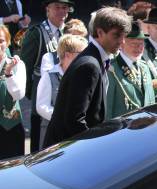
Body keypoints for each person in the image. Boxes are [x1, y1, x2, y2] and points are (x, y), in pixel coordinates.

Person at [43, 7, 131, 149]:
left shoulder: (95, 59)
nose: (122, 42)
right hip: (66, 152)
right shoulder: (89, 66)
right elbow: (74, 120)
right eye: (116, 35)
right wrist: (93, 149)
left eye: (124, 36)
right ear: (100, 32)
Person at [20, 0, 72, 153]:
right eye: (57, 7)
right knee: (40, 146)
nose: (62, 11)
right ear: (47, 10)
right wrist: (33, 94)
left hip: (66, 96)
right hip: (43, 99)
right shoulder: (36, 33)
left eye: (65, 8)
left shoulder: (70, 31)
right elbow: (26, 67)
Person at [36, 33, 87, 149]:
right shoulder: (49, 76)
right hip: (53, 132)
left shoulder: (82, 75)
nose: (85, 57)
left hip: (75, 132)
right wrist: (63, 117)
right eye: (81, 54)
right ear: (68, 55)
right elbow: (41, 106)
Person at [106, 21, 155, 120]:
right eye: (134, 44)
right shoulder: (111, 70)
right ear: (121, 44)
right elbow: (107, 109)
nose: (139, 48)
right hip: (122, 130)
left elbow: (150, 99)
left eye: (141, 44)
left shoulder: (144, 66)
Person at [0, 24, 26, 159]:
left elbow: (19, 95)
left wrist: (9, 73)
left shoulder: (18, 65)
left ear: (8, 42)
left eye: (1, 41)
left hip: (11, 128)